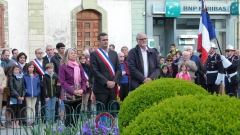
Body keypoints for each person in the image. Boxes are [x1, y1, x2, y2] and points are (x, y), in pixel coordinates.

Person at [90, 33, 121, 109]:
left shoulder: (114, 53)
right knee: (101, 113)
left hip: (113, 88)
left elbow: (118, 69)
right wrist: (106, 82)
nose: (105, 42)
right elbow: (94, 71)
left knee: (112, 113)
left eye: (107, 40)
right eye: (103, 40)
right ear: (99, 42)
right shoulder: (94, 54)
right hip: (101, 88)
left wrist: (114, 81)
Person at [59, 48, 86, 126]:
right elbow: (62, 81)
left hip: (79, 92)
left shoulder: (79, 65)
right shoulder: (63, 66)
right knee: (69, 116)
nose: (74, 54)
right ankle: (68, 131)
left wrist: (83, 89)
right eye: (71, 53)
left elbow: (83, 79)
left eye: (75, 53)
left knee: (77, 115)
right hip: (68, 93)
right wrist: (72, 91)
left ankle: (76, 131)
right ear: (67, 55)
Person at [51, 43, 65, 123]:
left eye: (64, 48)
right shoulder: (54, 58)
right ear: (58, 49)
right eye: (62, 48)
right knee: (56, 99)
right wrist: (59, 78)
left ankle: (63, 116)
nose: (63, 50)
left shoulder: (65, 57)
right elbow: (53, 69)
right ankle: (56, 116)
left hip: (65, 81)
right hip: (57, 81)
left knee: (63, 99)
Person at [23, 62, 41, 127]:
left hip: (35, 94)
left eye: (32, 67)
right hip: (28, 94)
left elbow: (38, 84)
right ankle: (28, 121)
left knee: (33, 107)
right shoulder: (25, 76)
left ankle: (33, 121)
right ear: (27, 68)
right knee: (28, 107)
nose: (31, 69)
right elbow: (24, 85)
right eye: (30, 67)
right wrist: (26, 91)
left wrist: (38, 91)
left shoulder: (36, 75)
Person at [0, 64, 6, 129]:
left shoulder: (1, 69)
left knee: (0, 108)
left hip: (0, 91)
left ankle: (0, 123)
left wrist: (2, 86)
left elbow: (4, 79)